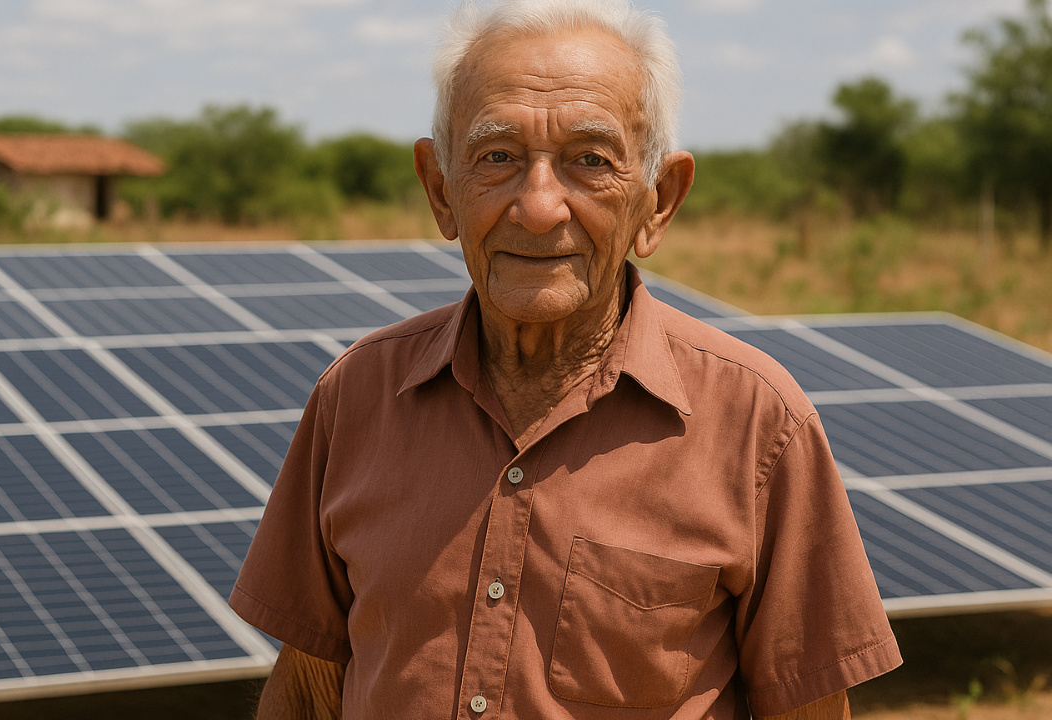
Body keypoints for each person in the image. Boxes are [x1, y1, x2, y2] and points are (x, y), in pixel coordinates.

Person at [229, 1, 902, 718]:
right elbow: (306, 688)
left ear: (659, 201)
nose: (540, 206)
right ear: (439, 187)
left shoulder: (758, 424)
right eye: (497, 157)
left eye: (590, 161)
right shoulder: (357, 395)